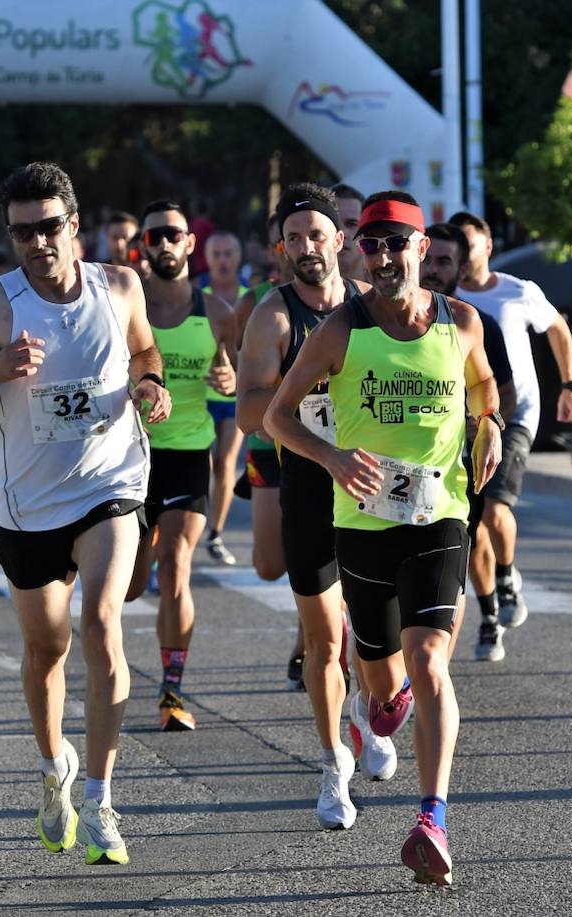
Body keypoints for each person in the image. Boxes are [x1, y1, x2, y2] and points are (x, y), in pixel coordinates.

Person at [0, 161, 169, 866]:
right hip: (29, 505)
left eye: (48, 227)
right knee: (47, 650)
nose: (37, 242)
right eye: (22, 232)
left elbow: (143, 346)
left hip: (110, 482)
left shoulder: (118, 285)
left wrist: (151, 381)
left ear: (75, 223)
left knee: (101, 621)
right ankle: (52, 766)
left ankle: (99, 796)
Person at [266, 190, 502, 885]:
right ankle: (380, 696)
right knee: (380, 674)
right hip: (363, 525)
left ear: (424, 249)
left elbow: (485, 389)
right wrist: (333, 458)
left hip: (440, 517)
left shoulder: (460, 322)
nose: (384, 255)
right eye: (371, 244)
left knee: (431, 662)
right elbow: (279, 417)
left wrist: (488, 429)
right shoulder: (340, 329)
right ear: (357, 251)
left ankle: (432, 817)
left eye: (398, 242)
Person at [238, 183, 397, 829]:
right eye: (294, 237)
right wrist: (306, 386)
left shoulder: (373, 306)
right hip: (307, 489)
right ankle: (335, 764)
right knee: (322, 639)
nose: (307, 247)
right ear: (283, 249)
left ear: (341, 239)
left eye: (317, 233)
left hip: (373, 490)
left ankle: (369, 709)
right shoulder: (273, 317)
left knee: (374, 638)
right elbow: (250, 411)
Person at [124, 199, 236, 732]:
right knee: (128, 585)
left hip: (189, 450)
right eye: (154, 238)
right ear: (142, 247)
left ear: (191, 243)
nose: (164, 244)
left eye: (174, 235)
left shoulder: (216, 312)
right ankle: (132, 569)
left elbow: (245, 374)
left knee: (176, 563)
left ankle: (172, 689)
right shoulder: (128, 306)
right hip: (126, 457)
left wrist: (231, 382)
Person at [450, 211, 572, 631]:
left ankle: (506, 577)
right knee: (468, 525)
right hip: (460, 420)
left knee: (494, 506)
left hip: (517, 412)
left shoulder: (518, 292)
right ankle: (489, 614)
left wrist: (570, 385)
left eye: (468, 246)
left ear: (487, 247)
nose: (463, 257)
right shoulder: (443, 300)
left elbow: (558, 329)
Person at [420, 222, 518, 662]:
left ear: (461, 268)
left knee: (469, 545)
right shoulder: (377, 325)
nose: (433, 269)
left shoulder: (477, 325)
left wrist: (488, 424)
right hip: (403, 465)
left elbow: (504, 392)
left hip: (460, 461)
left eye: (444, 261)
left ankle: (483, 618)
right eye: (429, 259)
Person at [232, 212, 305, 688]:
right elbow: (233, 359)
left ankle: (313, 640)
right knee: (269, 563)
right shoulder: (257, 304)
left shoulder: (357, 302)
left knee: (322, 552)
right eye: (291, 239)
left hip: (331, 452)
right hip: (266, 442)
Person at [201, 231, 248, 565]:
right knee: (203, 466)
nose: (222, 260)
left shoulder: (250, 298)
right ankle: (191, 523)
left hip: (234, 393)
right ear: (206, 257)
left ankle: (215, 534)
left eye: (228, 253)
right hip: (198, 393)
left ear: (239, 257)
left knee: (227, 463)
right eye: (216, 254)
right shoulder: (196, 296)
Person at [331, 183, 369, 283]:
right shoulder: (297, 295)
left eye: (351, 224)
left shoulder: (386, 294)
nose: (343, 233)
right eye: (334, 224)